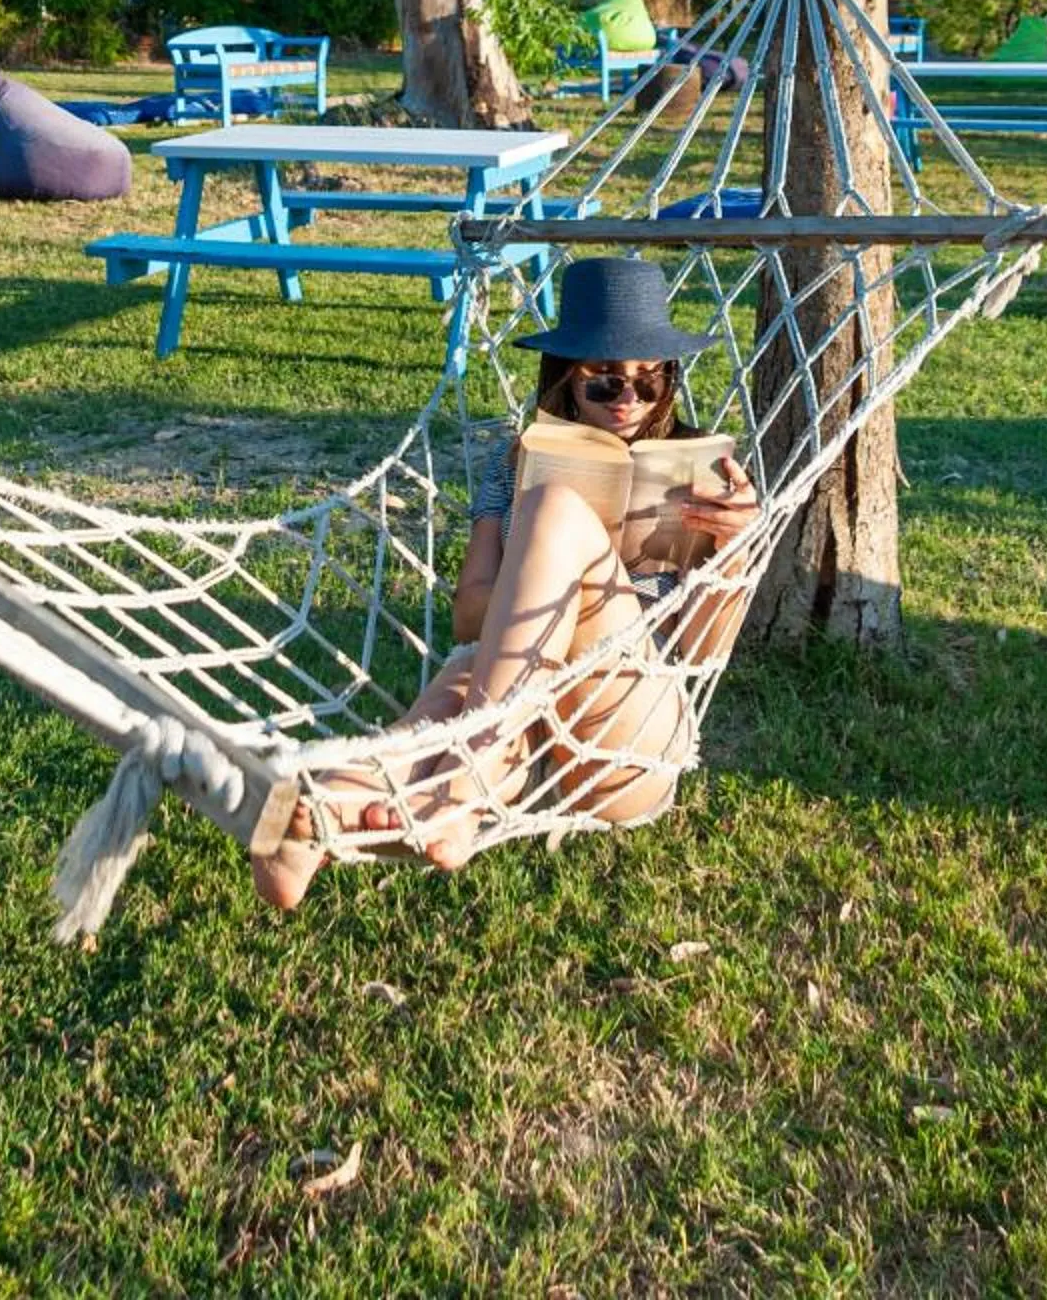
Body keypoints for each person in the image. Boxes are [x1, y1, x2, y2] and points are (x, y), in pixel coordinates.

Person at [252, 257, 761, 909]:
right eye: (605, 383)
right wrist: (551, 592)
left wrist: (734, 549)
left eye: (649, 381)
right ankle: (310, 812)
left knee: (553, 512)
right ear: (567, 382)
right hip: (506, 693)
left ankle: (461, 781)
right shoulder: (513, 465)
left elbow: (702, 654)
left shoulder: (708, 476)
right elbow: (470, 618)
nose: (628, 399)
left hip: (625, 723)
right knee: (433, 715)